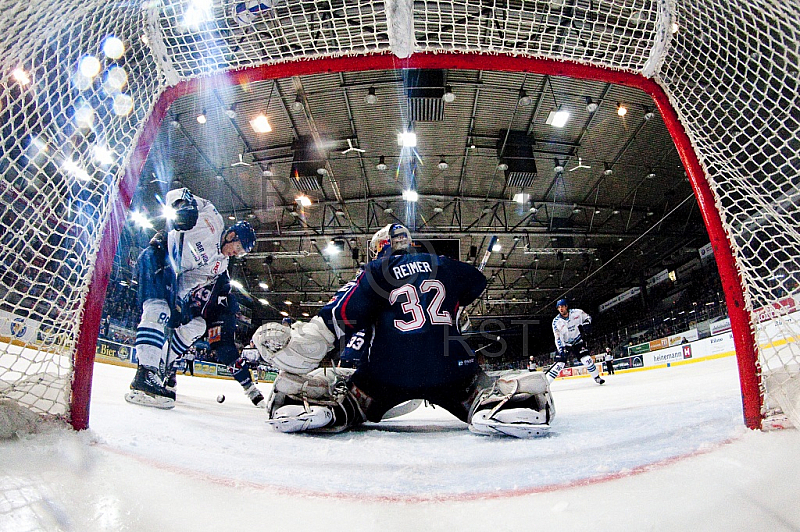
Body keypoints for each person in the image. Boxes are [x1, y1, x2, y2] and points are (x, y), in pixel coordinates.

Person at [250, 223, 555, 438]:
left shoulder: (373, 273)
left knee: (353, 397)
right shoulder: (442, 263)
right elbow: (476, 280)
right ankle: (501, 402)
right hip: (452, 370)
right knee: (477, 385)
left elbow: (336, 318)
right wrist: (452, 305)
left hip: (387, 375)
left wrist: (297, 348)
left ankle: (327, 406)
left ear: (378, 249)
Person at [125, 187, 264, 409]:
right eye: (236, 248)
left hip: (173, 275)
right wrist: (181, 206)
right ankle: (144, 376)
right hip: (159, 254)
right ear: (231, 235)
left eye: (240, 253)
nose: (235, 254)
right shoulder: (212, 217)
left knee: (195, 324)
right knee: (157, 311)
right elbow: (178, 194)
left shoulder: (221, 264)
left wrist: (179, 302)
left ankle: (161, 366)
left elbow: (190, 280)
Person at [546, 298, 605, 385]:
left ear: (566, 306)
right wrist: (561, 349)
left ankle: (597, 377)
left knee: (587, 359)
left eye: (562, 306)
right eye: (558, 307)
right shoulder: (556, 322)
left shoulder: (577, 312)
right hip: (565, 344)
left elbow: (587, 317)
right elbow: (558, 337)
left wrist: (587, 323)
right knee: (560, 364)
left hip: (577, 341)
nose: (560, 309)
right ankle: (546, 384)